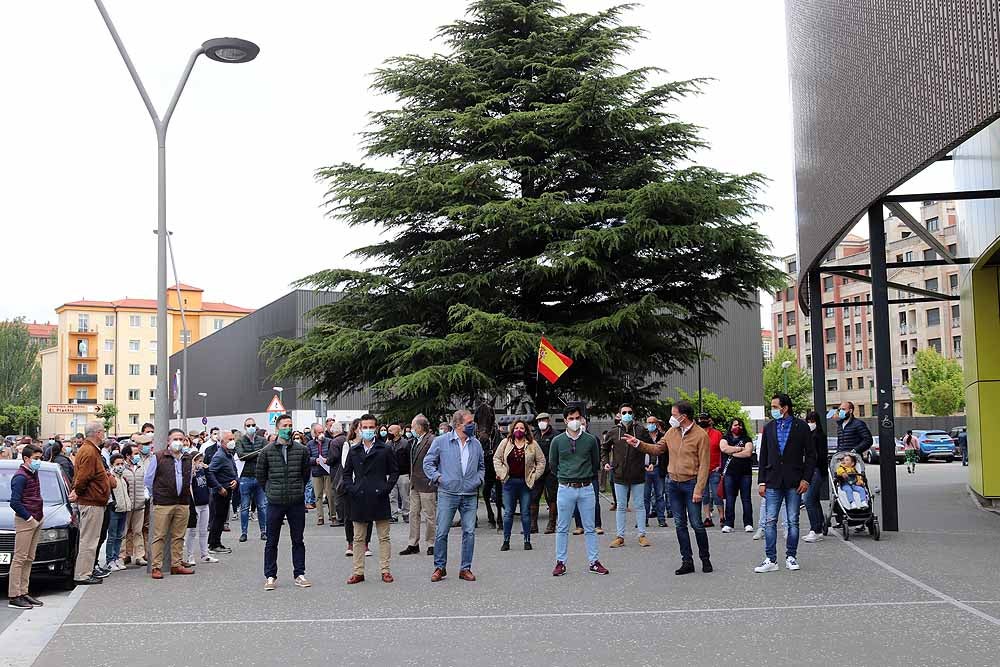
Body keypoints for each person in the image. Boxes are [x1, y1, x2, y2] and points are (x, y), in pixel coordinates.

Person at [627, 400, 712, 575]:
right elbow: (657, 449)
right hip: (673, 483)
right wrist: (638, 444)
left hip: (691, 483)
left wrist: (699, 489)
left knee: (697, 524)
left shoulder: (701, 435)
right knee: (680, 524)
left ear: (684, 416)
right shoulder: (671, 433)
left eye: (674, 414)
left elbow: (704, 465)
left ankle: (705, 558)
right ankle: (686, 561)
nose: (671, 418)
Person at [754, 394, 816, 574]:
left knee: (792, 521)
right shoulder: (769, 427)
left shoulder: (801, 427)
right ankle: (770, 559)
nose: (772, 410)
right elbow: (763, 455)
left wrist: (806, 479)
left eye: (775, 406)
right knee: (770, 520)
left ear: (785, 407)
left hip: (794, 481)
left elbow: (811, 455)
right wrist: (761, 481)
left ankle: (791, 556)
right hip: (772, 480)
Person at [425, 409, 485, 582]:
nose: (473, 425)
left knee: (469, 532)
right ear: (458, 425)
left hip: (469, 493)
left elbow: (481, 466)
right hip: (448, 493)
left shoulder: (476, 444)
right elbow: (428, 463)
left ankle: (465, 568)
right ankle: (439, 567)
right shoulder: (441, 441)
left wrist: (478, 480)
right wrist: (438, 477)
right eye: (469, 423)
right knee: (442, 531)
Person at [550, 405, 609, 577]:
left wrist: (583, 475)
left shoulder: (590, 440)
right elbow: (553, 464)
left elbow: (595, 462)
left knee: (590, 527)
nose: (574, 421)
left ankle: (594, 561)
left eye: (577, 418)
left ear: (582, 419)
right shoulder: (557, 441)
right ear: (565, 420)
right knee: (562, 527)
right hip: (566, 488)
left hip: (586, 488)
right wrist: (566, 476)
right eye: (571, 418)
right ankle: (560, 562)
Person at [256, 414, 312, 591]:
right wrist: (271, 491)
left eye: (290, 425)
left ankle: (299, 574)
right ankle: (270, 575)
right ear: (277, 428)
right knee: (272, 540)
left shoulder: (302, 450)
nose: (288, 428)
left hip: (295, 501)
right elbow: (261, 475)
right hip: (275, 501)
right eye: (284, 425)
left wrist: (299, 489)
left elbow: (305, 473)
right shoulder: (267, 451)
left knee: (298, 539)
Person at [343, 414, 399, 584]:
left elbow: (394, 472)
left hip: (379, 496)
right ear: (359, 429)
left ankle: (385, 570)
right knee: (358, 537)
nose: (367, 430)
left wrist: (386, 488)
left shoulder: (385, 449)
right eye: (364, 427)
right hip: (359, 498)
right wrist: (352, 489)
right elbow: (345, 474)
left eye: (370, 427)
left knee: (384, 536)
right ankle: (358, 571)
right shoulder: (354, 450)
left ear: (376, 428)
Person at [144, 428, 196, 579]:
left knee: (179, 536)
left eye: (181, 439)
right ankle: (156, 567)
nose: (178, 442)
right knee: (159, 536)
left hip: (182, 502)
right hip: (163, 503)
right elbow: (148, 480)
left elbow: (189, 479)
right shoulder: (159, 457)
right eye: (175, 439)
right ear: (168, 441)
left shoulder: (187, 458)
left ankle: (176, 564)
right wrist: (156, 496)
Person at [604, 403, 653, 549]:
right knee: (621, 506)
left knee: (639, 505)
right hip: (619, 474)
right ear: (619, 414)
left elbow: (651, 446)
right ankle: (620, 536)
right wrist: (606, 462)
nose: (627, 414)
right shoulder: (613, 432)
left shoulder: (641, 430)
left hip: (638, 473)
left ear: (633, 414)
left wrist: (652, 462)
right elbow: (604, 448)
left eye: (629, 412)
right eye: (624, 412)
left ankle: (642, 535)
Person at [493, 418, 546, 551]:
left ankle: (527, 540)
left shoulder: (532, 444)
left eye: (522, 428)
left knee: (525, 512)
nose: (519, 430)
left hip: (525, 483)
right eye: (516, 428)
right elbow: (496, 459)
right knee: (508, 513)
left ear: (526, 430)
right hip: (509, 482)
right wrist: (501, 473)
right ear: (512, 430)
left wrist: (534, 476)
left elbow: (541, 461)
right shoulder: (505, 443)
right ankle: (506, 540)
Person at [72, 421, 113, 585]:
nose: (104, 434)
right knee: (88, 540)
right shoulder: (89, 451)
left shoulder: (89, 450)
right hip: (91, 502)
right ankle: (82, 574)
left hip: (93, 501)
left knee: (90, 540)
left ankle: (86, 572)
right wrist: (79, 493)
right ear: (97, 433)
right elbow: (83, 478)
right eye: (103, 431)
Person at [7, 444, 46, 608]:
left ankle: (24, 591)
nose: (39, 461)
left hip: (37, 518)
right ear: (26, 459)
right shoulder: (20, 477)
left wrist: (38, 517)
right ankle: (14, 595)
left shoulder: (33, 473)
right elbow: (15, 502)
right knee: (20, 558)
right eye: (36, 459)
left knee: (29, 558)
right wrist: (29, 518)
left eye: (40, 458)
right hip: (26, 520)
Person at [400, 414, 437, 556]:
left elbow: (435, 461)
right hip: (414, 483)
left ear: (420, 427)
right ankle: (413, 543)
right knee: (413, 514)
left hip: (427, 484)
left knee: (429, 515)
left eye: (413, 426)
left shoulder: (432, 440)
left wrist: (433, 478)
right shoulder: (415, 441)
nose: (411, 429)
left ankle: (431, 543)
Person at [340, 419, 373, 557]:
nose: (364, 431)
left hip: (368, 485)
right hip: (353, 485)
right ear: (355, 430)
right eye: (361, 428)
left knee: (368, 515)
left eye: (366, 428)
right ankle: (351, 543)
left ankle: (366, 544)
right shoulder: (348, 445)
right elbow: (345, 465)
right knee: (350, 515)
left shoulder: (371, 446)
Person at [235, 417, 269, 543]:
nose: (251, 427)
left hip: (259, 477)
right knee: (244, 507)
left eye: (253, 425)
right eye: (248, 425)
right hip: (245, 477)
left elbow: (265, 454)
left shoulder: (262, 440)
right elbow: (241, 456)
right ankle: (244, 532)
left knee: (262, 506)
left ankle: (263, 531)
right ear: (245, 427)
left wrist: (252, 454)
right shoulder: (240, 441)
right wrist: (257, 453)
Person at [206, 431, 239, 555]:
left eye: (233, 438)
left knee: (221, 518)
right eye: (229, 439)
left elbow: (235, 471)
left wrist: (236, 480)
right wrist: (219, 487)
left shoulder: (229, 455)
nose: (232, 441)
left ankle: (215, 542)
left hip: (228, 489)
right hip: (220, 493)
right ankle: (214, 544)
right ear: (222, 442)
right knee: (218, 518)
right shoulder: (219, 456)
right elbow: (210, 472)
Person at [719, 418, 754, 534]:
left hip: (745, 474)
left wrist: (732, 452)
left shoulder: (747, 439)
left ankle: (748, 523)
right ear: (731, 426)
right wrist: (739, 449)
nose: (738, 427)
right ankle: (728, 523)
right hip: (729, 474)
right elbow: (724, 448)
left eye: (740, 425)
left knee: (746, 499)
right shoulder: (725, 438)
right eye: (735, 425)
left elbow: (748, 453)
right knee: (730, 499)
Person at [124, 433, 153, 565]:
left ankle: (144, 553)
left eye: (149, 444)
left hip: (146, 498)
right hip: (131, 500)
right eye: (145, 445)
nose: (148, 447)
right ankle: (127, 553)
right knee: (128, 529)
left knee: (144, 527)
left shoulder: (153, 458)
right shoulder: (131, 461)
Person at [801, 411, 830, 543]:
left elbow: (817, 456)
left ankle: (815, 529)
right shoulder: (814, 435)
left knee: (808, 499)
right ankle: (819, 527)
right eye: (808, 420)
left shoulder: (817, 437)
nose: (809, 423)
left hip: (815, 470)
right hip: (816, 471)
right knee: (814, 499)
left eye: (811, 421)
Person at [474, 405, 503, 530]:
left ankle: (500, 516)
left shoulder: (497, 438)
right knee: (478, 488)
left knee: (497, 485)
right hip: (481, 463)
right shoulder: (474, 438)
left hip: (494, 463)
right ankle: (474, 516)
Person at [186, 452, 217, 565]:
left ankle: (205, 554)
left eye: (202, 460)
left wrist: (207, 469)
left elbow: (211, 481)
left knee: (203, 531)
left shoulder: (203, 471)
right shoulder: (191, 473)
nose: (201, 463)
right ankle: (190, 556)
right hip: (195, 505)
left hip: (205, 504)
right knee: (192, 532)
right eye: (198, 461)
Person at [119, 444, 148, 566]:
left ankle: (139, 556)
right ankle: (123, 555)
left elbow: (145, 483)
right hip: (127, 505)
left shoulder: (141, 467)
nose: (137, 455)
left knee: (138, 531)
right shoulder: (122, 469)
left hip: (140, 504)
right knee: (124, 532)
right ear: (127, 455)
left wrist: (146, 495)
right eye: (135, 453)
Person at [105, 453, 133, 570]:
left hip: (124, 509)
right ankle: (110, 560)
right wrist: (113, 504)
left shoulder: (123, 478)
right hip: (114, 510)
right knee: (112, 536)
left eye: (122, 463)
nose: (120, 466)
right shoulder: (110, 478)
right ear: (112, 465)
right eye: (117, 464)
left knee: (119, 536)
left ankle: (116, 558)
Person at [697, 414, 725, 528]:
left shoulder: (717, 434)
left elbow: (722, 451)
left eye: (705, 419)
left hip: (714, 469)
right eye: (701, 419)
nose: (703, 421)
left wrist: (720, 466)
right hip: (701, 469)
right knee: (704, 495)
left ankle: (722, 517)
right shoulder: (696, 434)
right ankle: (708, 518)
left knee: (716, 493)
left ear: (710, 420)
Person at [534, 413, 559, 534]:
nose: (541, 422)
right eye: (539, 420)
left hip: (551, 471)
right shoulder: (534, 435)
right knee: (534, 497)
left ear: (548, 420)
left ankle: (552, 524)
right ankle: (533, 525)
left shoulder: (556, 435)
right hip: (537, 471)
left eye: (544, 420)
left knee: (552, 497)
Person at [307, 423, 334, 526]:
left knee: (330, 494)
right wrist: (315, 460)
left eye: (322, 432)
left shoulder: (329, 442)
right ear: (314, 433)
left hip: (327, 471)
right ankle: (320, 517)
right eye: (319, 432)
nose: (321, 434)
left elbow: (333, 455)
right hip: (316, 472)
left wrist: (328, 460)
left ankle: (333, 515)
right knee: (318, 495)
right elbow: (307, 458)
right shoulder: (310, 444)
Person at [643, 415, 666, 528]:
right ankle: (644, 520)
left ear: (657, 424)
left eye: (653, 422)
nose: (651, 424)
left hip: (658, 469)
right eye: (649, 422)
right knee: (645, 496)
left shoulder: (663, 437)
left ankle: (661, 519)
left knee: (660, 495)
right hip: (645, 469)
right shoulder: (643, 436)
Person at [386, 424, 410, 524]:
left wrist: (410, 473)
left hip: (403, 474)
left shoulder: (405, 443)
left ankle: (406, 514)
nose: (389, 432)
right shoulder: (388, 444)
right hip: (391, 474)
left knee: (405, 496)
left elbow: (409, 460)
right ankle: (393, 514)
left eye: (391, 430)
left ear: (397, 432)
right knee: (392, 496)